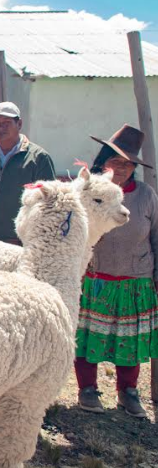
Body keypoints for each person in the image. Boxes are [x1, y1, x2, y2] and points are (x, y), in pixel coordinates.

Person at [75, 124, 158, 418]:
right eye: (115, 161)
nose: (122, 168)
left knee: (130, 343)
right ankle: (87, 388)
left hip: (135, 280)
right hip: (95, 278)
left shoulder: (146, 195)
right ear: (103, 162)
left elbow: (155, 236)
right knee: (87, 337)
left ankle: (128, 391)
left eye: (128, 164)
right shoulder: (87, 192)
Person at [0, 102, 55, 244]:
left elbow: (49, 203)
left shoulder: (38, 158)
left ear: (19, 124)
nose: (0, 128)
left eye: (6, 123)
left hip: (18, 242)